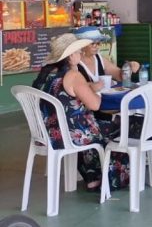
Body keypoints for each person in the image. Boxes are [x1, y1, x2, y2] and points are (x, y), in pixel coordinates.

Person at [32, 33, 132, 192]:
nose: (80, 53)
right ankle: (113, 176)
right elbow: (95, 105)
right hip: (72, 135)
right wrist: (93, 89)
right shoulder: (73, 76)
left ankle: (93, 177)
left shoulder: (46, 76)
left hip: (48, 134)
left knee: (90, 127)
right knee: (123, 126)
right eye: (78, 51)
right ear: (70, 56)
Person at [75, 27, 141, 85]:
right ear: (81, 45)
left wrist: (128, 68)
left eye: (98, 43)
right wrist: (92, 86)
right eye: (93, 43)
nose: (97, 46)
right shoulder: (74, 63)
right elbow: (75, 86)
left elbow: (119, 76)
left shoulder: (98, 58)